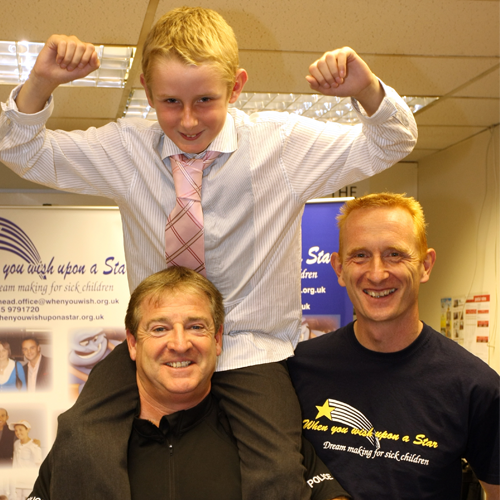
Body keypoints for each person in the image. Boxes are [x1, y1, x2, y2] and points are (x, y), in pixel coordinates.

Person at [0, 7, 417, 499]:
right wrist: (42, 83)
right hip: (158, 345)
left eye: (205, 100)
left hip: (250, 346)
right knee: (79, 440)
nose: (188, 119)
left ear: (236, 87)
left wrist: (365, 91)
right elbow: (22, 151)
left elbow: (393, 140)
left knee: (277, 474)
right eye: (170, 102)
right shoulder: (127, 150)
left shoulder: (281, 147)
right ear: (146, 91)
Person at [31, 267, 351, 500]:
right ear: (132, 343)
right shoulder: (83, 445)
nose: (180, 344)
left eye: (196, 327)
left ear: (218, 339)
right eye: (159, 329)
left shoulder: (263, 435)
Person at [287, 193, 500, 500]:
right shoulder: (297, 368)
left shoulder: (474, 385)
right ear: (339, 268)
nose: (377, 274)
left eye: (395, 255)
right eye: (360, 255)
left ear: (425, 265)